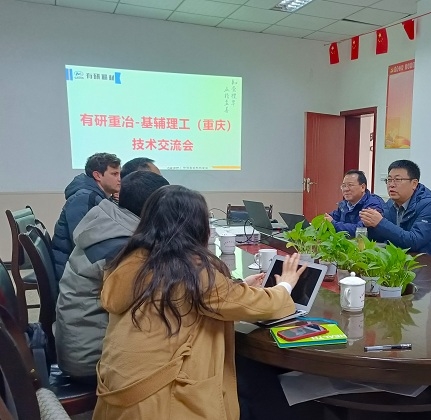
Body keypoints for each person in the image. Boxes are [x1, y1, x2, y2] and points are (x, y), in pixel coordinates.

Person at [93, 185, 306, 420]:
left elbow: (188, 297)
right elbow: (261, 306)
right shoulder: (190, 270)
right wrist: (285, 286)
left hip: (119, 397)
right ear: (197, 226)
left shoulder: (131, 261)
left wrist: (235, 286)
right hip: (163, 402)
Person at [54, 171, 169, 383]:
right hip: (93, 360)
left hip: (79, 345)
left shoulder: (109, 221)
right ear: (154, 208)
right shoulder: (123, 247)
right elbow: (148, 307)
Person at [359, 160, 431, 259]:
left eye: (397, 180)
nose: (391, 184)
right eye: (389, 180)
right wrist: (371, 225)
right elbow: (384, 236)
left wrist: (380, 223)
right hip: (404, 258)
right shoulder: (391, 203)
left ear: (414, 183)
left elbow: (414, 241)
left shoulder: (429, 206)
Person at [52, 153, 121, 280]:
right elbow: (82, 242)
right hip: (71, 272)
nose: (120, 179)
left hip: (77, 265)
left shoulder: (97, 196)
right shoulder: (84, 198)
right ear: (97, 175)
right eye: (114, 174)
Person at [324, 170, 384, 237]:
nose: (346, 189)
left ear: (362, 187)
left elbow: (361, 230)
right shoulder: (344, 204)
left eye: (350, 185)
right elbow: (329, 218)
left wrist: (333, 224)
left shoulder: (372, 204)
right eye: (343, 186)